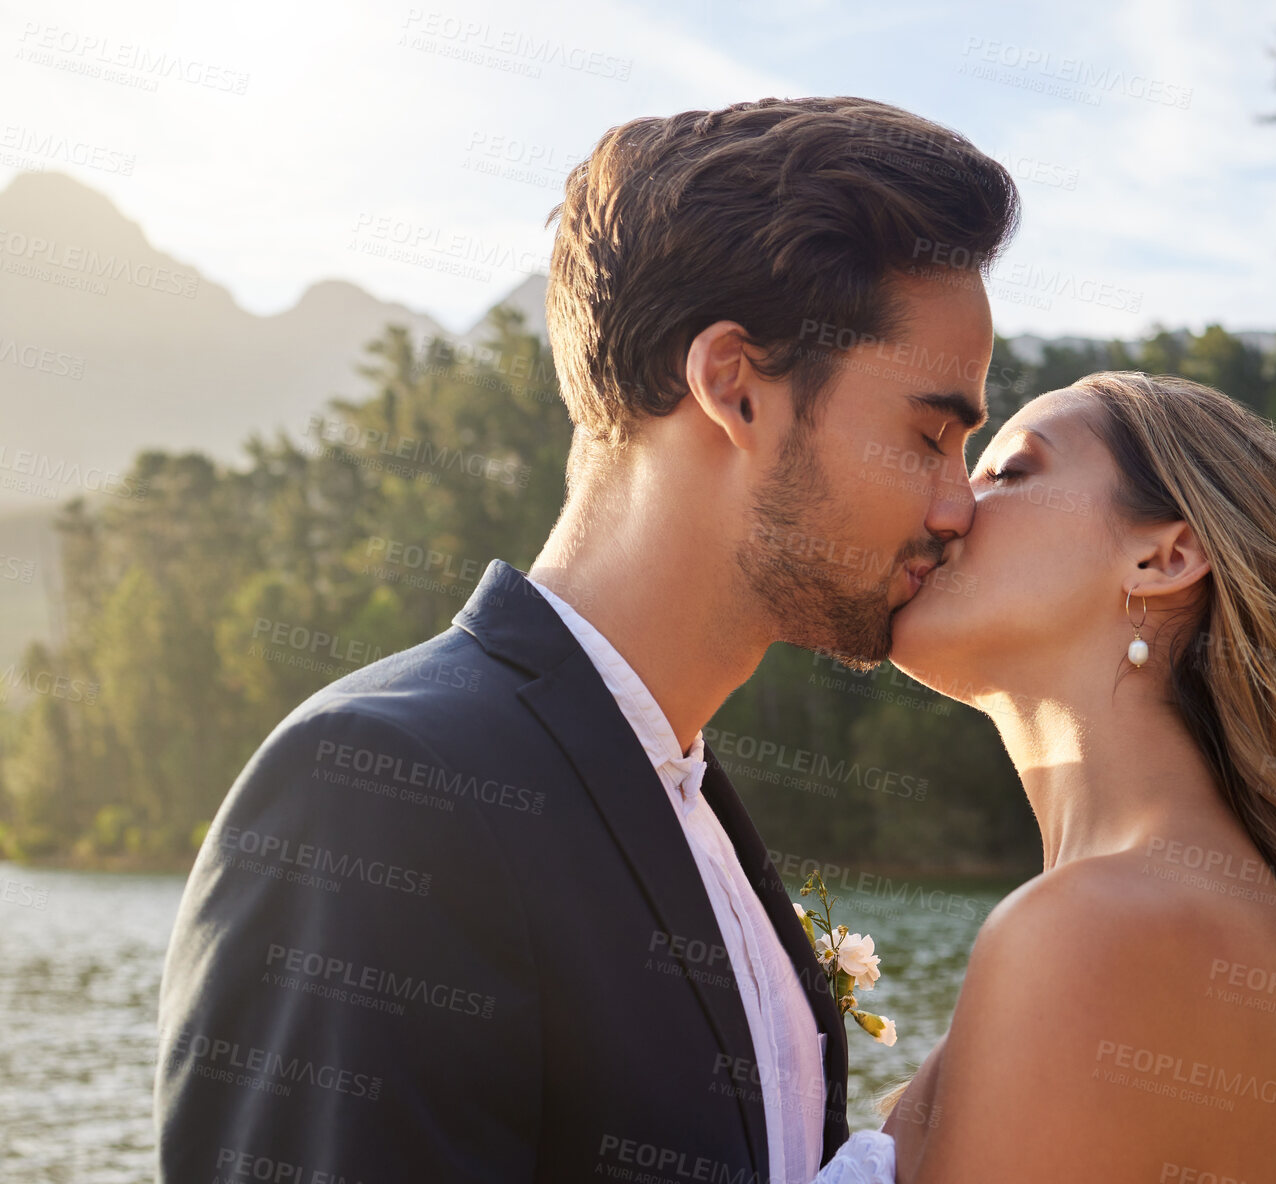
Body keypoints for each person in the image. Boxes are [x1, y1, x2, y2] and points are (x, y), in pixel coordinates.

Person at [152, 95, 1019, 1184]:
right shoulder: (381, 793)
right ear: (733, 386)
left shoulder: (696, 807)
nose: (957, 507)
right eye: (930, 435)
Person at [814, 373, 1276, 1184]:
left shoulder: (1105, 930)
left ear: (1163, 556)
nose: (951, 508)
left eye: (1010, 473)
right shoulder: (1177, 913)